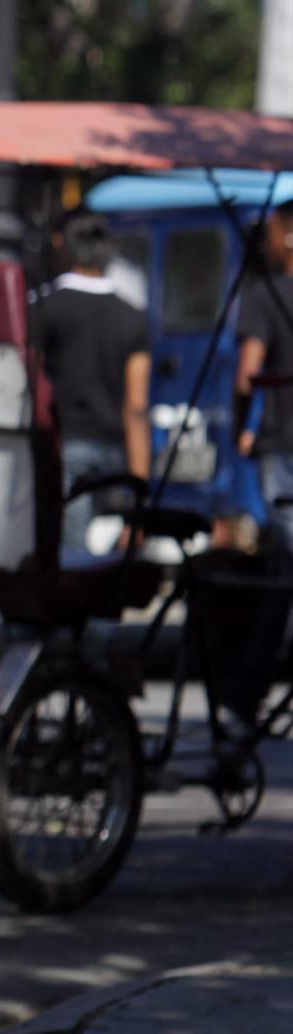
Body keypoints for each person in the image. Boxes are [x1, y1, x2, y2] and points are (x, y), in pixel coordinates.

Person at [28, 210, 151, 567]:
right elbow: (137, 407)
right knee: (107, 561)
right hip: (115, 452)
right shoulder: (133, 317)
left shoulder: (46, 308)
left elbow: (27, 381)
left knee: (70, 554)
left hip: (66, 444)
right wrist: (140, 495)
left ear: (62, 247)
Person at [231, 198, 293, 725]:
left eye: (273, 230)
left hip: (281, 444)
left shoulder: (264, 295)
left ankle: (247, 688)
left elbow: (246, 375)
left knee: (284, 566)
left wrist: (240, 428)